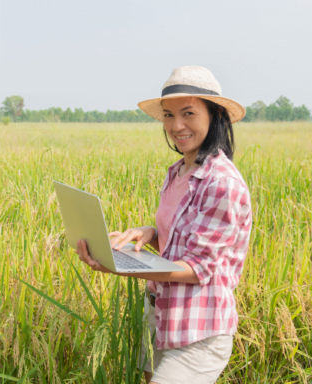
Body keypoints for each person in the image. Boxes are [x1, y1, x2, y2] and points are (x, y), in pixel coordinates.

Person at [75, 66, 252, 384]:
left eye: (188, 113)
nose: (176, 126)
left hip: (199, 329)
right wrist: (150, 234)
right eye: (168, 115)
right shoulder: (178, 172)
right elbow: (181, 243)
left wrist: (124, 267)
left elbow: (198, 268)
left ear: (217, 116)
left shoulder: (222, 182)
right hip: (159, 314)